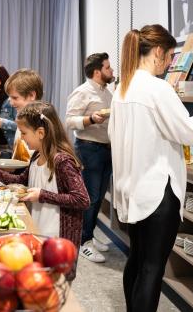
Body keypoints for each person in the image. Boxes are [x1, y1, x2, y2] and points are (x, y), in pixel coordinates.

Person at [109, 24, 193, 312]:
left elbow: (168, 128)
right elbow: (190, 135)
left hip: (132, 189)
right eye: (170, 55)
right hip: (159, 192)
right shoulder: (157, 88)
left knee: (137, 260)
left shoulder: (123, 88)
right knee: (152, 269)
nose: (171, 62)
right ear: (158, 51)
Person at [0, 101, 90, 280]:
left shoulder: (62, 161)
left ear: (40, 133)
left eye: (23, 133)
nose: (21, 138)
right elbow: (21, 182)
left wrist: (42, 195)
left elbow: (82, 199)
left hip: (58, 239)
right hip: (40, 230)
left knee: (56, 284)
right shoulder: (37, 156)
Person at [65, 53, 114, 263]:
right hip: (89, 149)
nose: (112, 71)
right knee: (90, 198)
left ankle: (90, 236)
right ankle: (83, 241)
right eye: (108, 68)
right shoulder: (83, 92)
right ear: (97, 72)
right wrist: (91, 119)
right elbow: (68, 121)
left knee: (99, 197)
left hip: (106, 149)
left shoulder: (107, 93)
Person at [0, 69, 43, 160]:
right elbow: (22, 157)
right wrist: (0, 154)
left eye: (15, 98)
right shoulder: (23, 119)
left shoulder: (40, 123)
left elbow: (29, 163)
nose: (10, 103)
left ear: (31, 95)